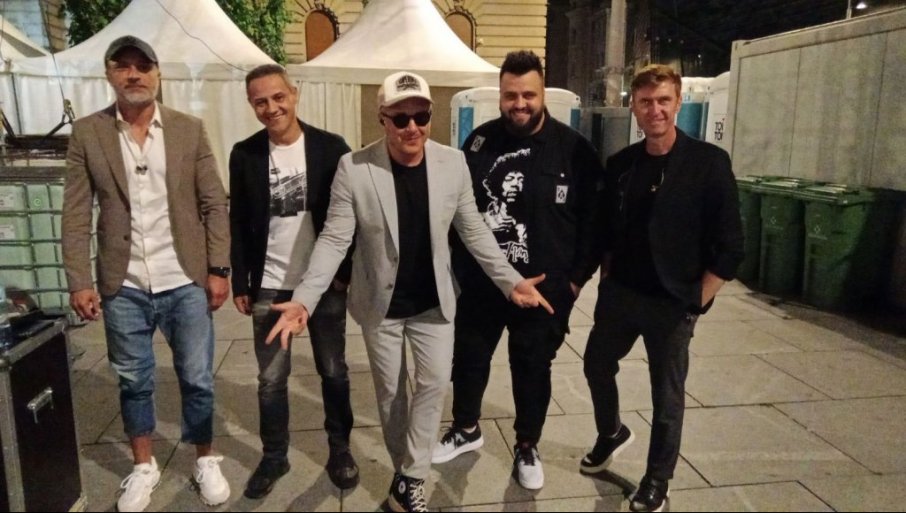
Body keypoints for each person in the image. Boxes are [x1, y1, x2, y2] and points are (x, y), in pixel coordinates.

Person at [266, 71, 553, 513]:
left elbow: (473, 229)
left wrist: (510, 280)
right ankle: (406, 472)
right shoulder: (355, 168)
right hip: (381, 304)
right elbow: (334, 240)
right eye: (401, 119)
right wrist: (304, 298)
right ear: (382, 118)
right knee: (391, 395)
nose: (412, 127)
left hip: (434, 301)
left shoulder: (452, 163)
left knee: (434, 384)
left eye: (421, 115)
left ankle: (410, 479)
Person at [61, 36, 232, 512]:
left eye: (143, 66)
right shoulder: (88, 133)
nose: (133, 74)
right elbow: (76, 213)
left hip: (185, 278)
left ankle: (205, 457)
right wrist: (79, 280)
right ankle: (143, 466)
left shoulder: (188, 130)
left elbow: (213, 203)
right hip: (124, 283)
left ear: (158, 73)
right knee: (133, 380)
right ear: (109, 74)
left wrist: (218, 268)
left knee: (197, 377)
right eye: (123, 66)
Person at [432, 50, 604, 491]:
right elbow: (458, 211)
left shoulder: (575, 150)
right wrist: (456, 270)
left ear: (542, 93)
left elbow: (595, 223)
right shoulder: (479, 143)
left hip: (544, 290)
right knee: (469, 359)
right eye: (511, 95)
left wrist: (574, 282)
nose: (520, 104)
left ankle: (527, 445)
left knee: (531, 368)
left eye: (528, 94)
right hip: (483, 283)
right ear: (500, 96)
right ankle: (466, 428)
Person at [580, 64, 744, 512]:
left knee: (666, 397)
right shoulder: (621, 165)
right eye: (646, 102)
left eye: (664, 100)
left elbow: (732, 245)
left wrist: (697, 300)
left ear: (678, 104)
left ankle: (657, 478)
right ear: (634, 107)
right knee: (596, 365)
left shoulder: (708, 163)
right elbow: (606, 231)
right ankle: (611, 432)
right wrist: (605, 281)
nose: (655, 110)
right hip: (622, 295)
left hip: (673, 302)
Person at [229, 64, 359, 498]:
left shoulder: (331, 148)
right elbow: (237, 220)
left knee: (333, 371)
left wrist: (343, 273)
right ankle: (274, 456)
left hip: (321, 285)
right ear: (252, 105)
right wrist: (241, 281)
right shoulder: (245, 154)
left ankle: (340, 449)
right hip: (269, 284)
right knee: (270, 380)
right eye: (260, 101)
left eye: (278, 97)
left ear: (294, 94)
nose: (271, 108)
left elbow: (351, 215)